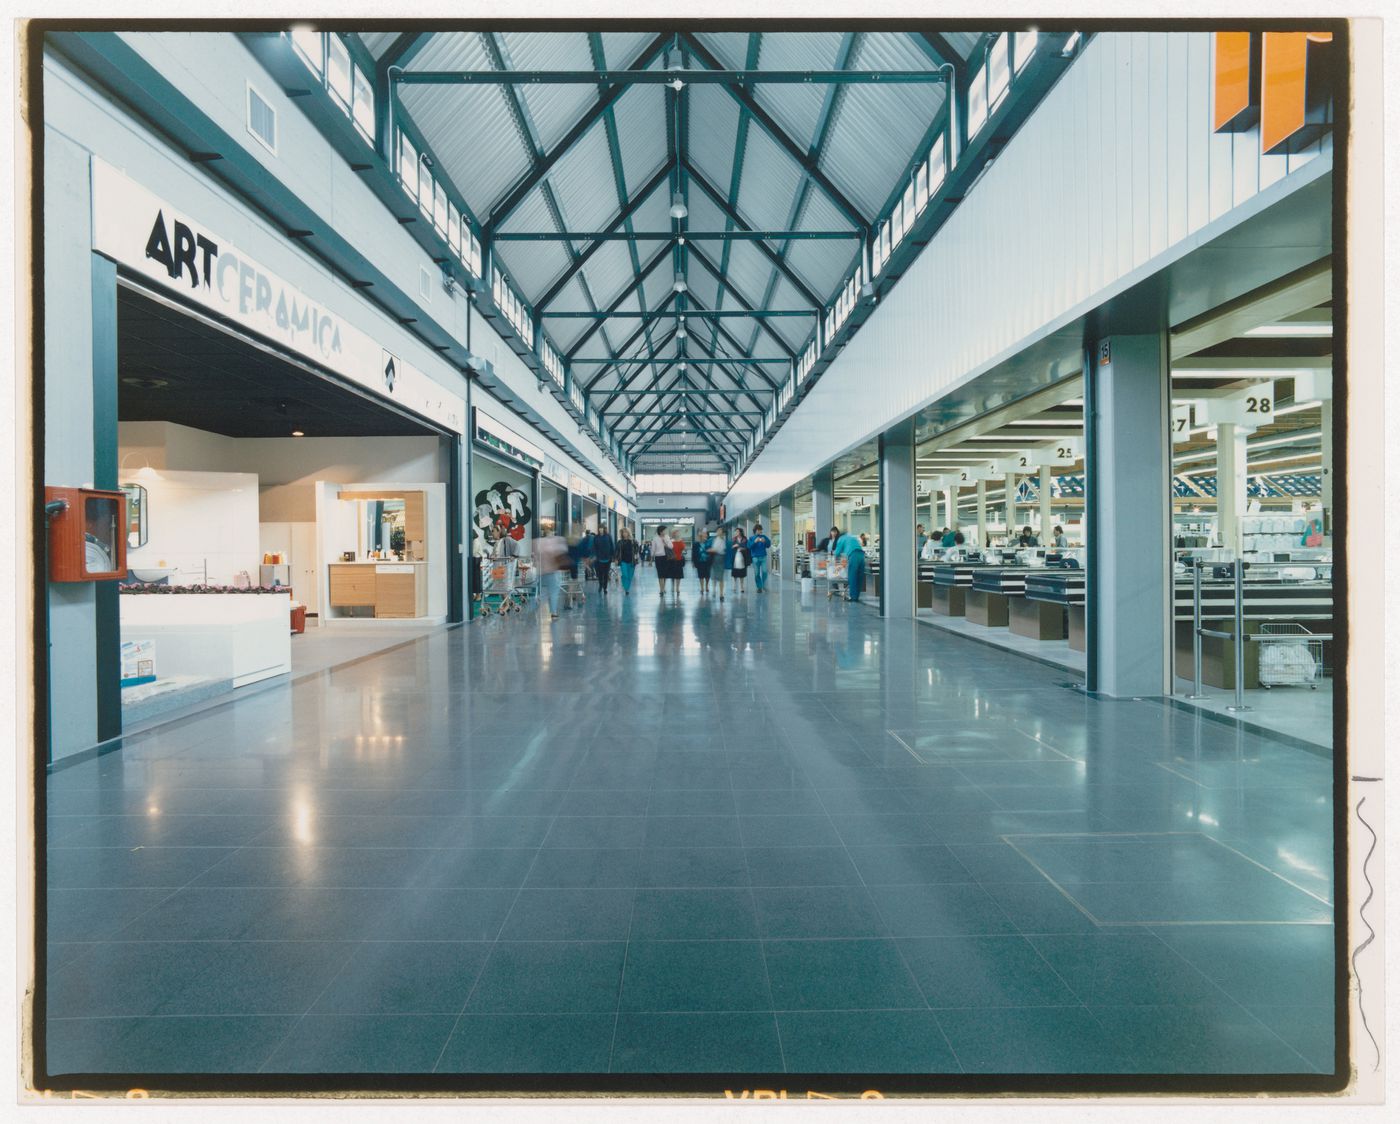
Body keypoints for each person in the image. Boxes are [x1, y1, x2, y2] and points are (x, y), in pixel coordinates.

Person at [532, 531, 569, 619]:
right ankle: (554, 613)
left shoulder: (539, 542)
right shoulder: (556, 543)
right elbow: (563, 553)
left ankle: (533, 607)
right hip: (553, 572)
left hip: (541, 572)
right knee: (553, 593)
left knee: (539, 591)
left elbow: (534, 556)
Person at [833, 527, 866, 603]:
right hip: (861, 555)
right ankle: (857, 596)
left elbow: (837, 552)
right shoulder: (852, 537)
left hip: (853, 555)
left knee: (853, 576)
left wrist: (834, 560)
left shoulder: (841, 539)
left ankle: (853, 597)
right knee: (859, 576)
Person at [748, 522, 772, 593]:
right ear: (755, 530)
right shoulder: (751, 538)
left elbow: (768, 545)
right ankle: (759, 587)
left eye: (761, 530)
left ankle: (763, 585)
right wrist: (754, 542)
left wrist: (765, 542)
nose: (761, 531)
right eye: (759, 530)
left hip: (763, 557)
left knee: (765, 571)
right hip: (755, 558)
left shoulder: (764, 537)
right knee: (757, 573)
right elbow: (749, 547)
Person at [593, 524, 615, 595]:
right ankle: (600, 584)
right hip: (599, 559)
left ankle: (605, 587)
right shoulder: (596, 537)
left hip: (607, 559)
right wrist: (595, 555)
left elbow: (612, 546)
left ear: (604, 529)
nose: (600, 530)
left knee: (606, 574)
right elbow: (594, 547)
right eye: (599, 528)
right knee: (599, 574)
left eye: (602, 528)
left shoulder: (608, 536)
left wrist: (613, 556)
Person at [728, 527, 750, 596]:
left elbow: (746, 547)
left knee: (742, 572)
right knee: (735, 572)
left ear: (740, 532)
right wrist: (735, 546)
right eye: (735, 532)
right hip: (735, 557)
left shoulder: (745, 539)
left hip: (742, 557)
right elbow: (731, 547)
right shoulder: (734, 539)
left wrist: (740, 546)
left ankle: (742, 587)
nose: (736, 533)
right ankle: (734, 585)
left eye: (737, 531)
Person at [616, 526, 638, 595]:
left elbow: (637, 550)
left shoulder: (633, 541)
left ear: (628, 533)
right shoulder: (620, 542)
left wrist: (636, 556)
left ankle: (626, 586)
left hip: (631, 561)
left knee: (630, 576)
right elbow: (616, 551)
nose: (624, 534)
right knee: (625, 575)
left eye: (625, 532)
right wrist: (616, 559)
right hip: (623, 561)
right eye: (623, 532)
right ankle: (627, 589)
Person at [692, 527, 713, 594]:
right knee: (700, 575)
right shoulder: (696, 544)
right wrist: (693, 562)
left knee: (707, 575)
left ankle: (706, 585)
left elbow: (712, 552)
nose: (704, 535)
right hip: (699, 561)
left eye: (705, 534)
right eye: (702, 534)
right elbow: (694, 553)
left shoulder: (709, 543)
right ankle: (702, 587)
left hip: (708, 561)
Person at [650, 525, 671, 592]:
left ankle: (663, 587)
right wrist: (651, 559)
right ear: (661, 531)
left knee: (665, 573)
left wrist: (665, 541)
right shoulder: (655, 538)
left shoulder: (667, 537)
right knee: (660, 573)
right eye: (665, 530)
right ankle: (661, 589)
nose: (666, 531)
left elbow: (671, 546)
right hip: (658, 558)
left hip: (666, 557)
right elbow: (653, 549)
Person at [669, 531, 686, 597]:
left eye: (678, 533)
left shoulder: (681, 541)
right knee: (673, 575)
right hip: (672, 560)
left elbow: (685, 549)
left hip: (679, 560)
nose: (677, 534)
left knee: (678, 575)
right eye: (676, 533)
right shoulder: (671, 541)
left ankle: (677, 588)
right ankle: (673, 586)